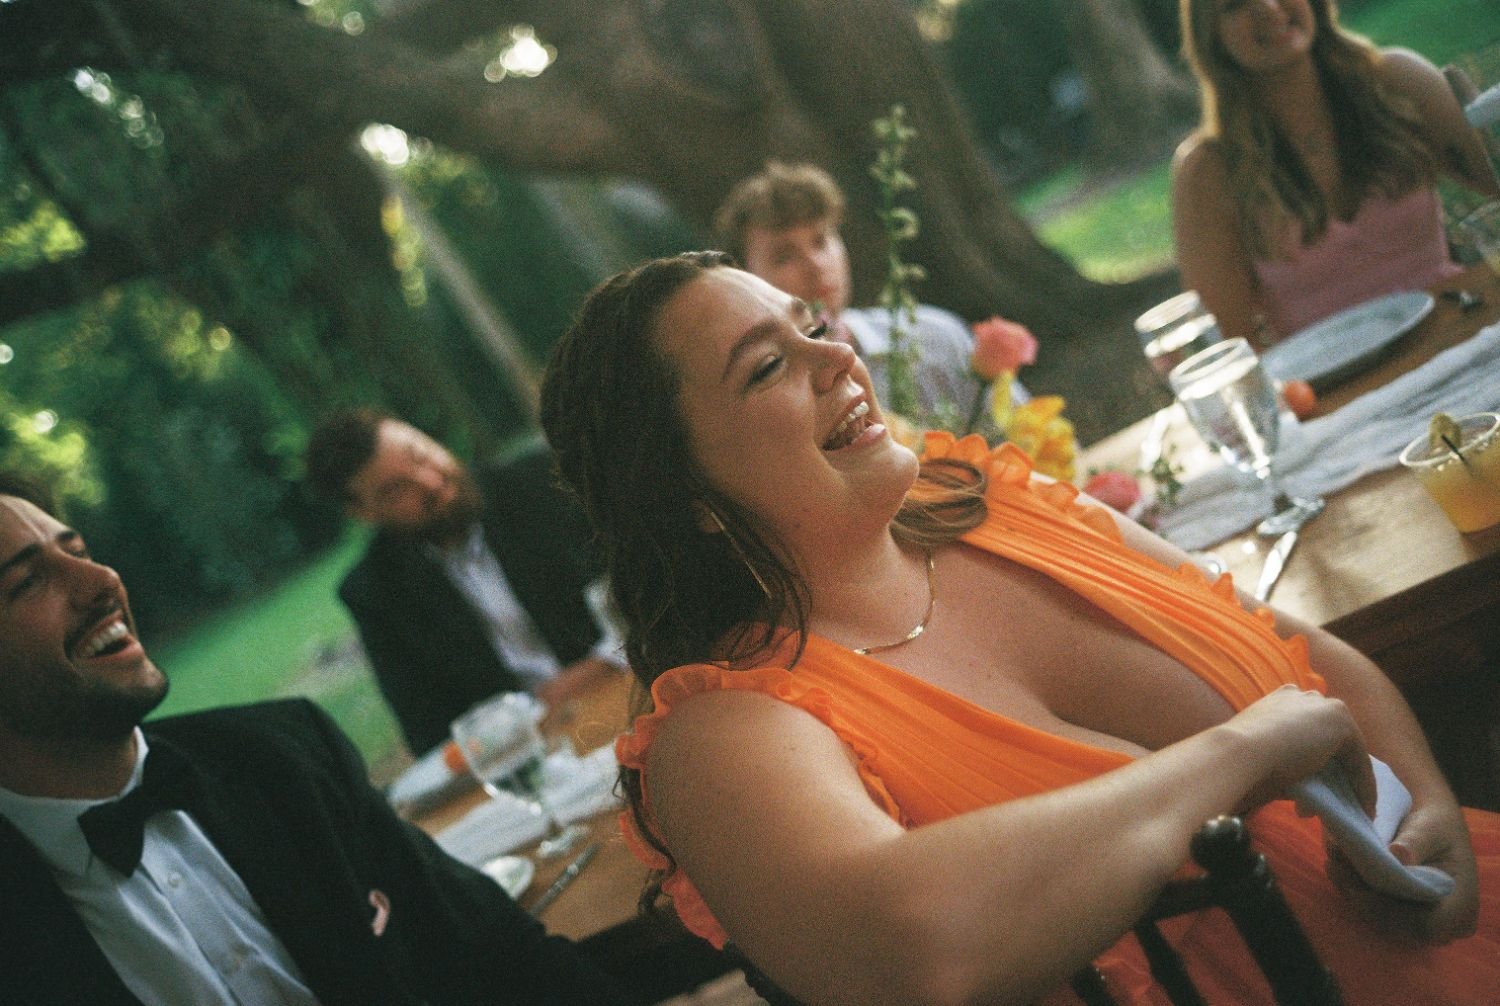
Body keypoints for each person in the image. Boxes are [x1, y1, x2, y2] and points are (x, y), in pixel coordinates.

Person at [538, 251, 1500, 1005]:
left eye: (815, 327)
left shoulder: (992, 502)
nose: (839, 359)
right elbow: (911, 946)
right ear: (685, 498)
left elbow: (1306, 655)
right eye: (768, 367)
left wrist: (1431, 811)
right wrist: (1244, 752)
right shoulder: (726, 735)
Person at [0, 471, 648, 1006]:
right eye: (27, 582)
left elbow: (506, 955)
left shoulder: (286, 753)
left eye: (79, 551)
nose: (101, 582)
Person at [1171, 0, 1499, 347]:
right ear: (1212, 38)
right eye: (1236, 5)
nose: (1267, 7)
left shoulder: (1395, 81)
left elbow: (1494, 173)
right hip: (1337, 379)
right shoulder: (1207, 170)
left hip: (1466, 336)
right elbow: (1227, 344)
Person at [304, 409, 626, 754]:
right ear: (364, 513)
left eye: (420, 455)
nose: (431, 481)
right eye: (397, 490)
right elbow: (428, 732)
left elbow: (652, 590)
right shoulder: (376, 592)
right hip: (530, 752)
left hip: (627, 692)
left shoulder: (542, 481)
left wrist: (603, 663)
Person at [714, 161, 1026, 427]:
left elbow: (1028, 435)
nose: (816, 265)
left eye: (821, 241)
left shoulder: (933, 337)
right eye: (784, 256)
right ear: (747, 279)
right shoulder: (768, 407)